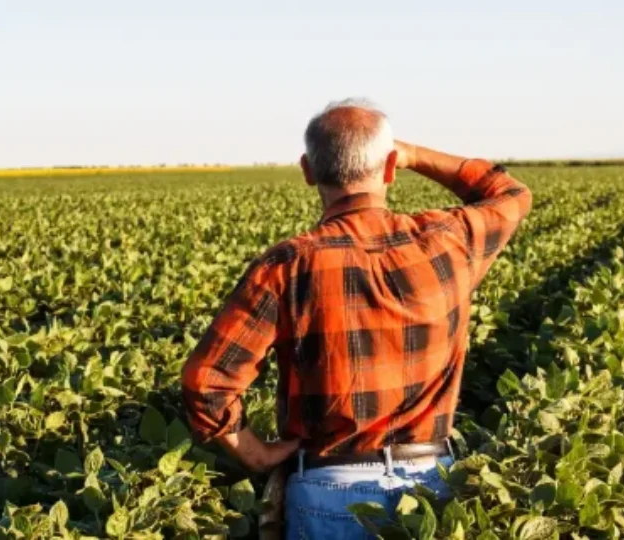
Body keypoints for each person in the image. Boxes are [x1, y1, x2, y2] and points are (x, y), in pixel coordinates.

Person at [181, 98, 532, 538]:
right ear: (389, 169)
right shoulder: (449, 241)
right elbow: (511, 194)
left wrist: (255, 454)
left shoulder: (287, 265)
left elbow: (207, 380)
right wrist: (415, 155)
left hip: (327, 488)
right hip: (428, 486)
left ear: (308, 171)